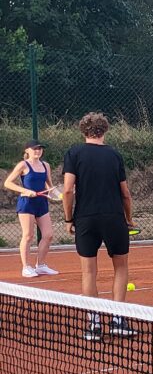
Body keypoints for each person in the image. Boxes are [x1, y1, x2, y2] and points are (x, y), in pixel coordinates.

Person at [61, 112, 137, 340]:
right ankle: (118, 320)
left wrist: (68, 219)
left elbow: (67, 190)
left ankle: (94, 325)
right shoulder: (114, 154)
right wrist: (129, 219)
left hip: (85, 218)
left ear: (83, 130)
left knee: (88, 272)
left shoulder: (74, 153)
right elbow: (125, 194)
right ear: (105, 130)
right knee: (121, 268)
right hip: (114, 217)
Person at [5, 140, 58, 277]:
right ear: (27, 150)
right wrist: (25, 191)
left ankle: (41, 265)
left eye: (40, 148)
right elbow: (8, 183)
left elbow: (49, 186)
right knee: (28, 235)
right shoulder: (23, 165)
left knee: (48, 235)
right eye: (35, 149)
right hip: (27, 203)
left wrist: (58, 194)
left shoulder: (46, 165)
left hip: (42, 203)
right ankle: (26, 267)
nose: (38, 151)